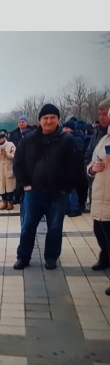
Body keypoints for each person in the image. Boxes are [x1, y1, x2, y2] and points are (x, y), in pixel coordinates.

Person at [13, 104, 77, 270]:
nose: (49, 121)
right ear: (40, 120)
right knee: (28, 226)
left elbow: (73, 166)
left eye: (52, 118)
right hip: (33, 192)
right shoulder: (28, 139)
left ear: (58, 119)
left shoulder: (66, 140)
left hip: (57, 193)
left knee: (55, 227)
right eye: (45, 118)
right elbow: (18, 163)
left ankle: (51, 257)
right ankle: (23, 257)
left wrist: (66, 188)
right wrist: (25, 184)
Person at [87, 107, 110, 296]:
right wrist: (93, 168)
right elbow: (90, 161)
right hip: (100, 194)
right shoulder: (102, 138)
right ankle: (106, 258)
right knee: (100, 231)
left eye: (105, 114)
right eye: (101, 113)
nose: (101, 117)